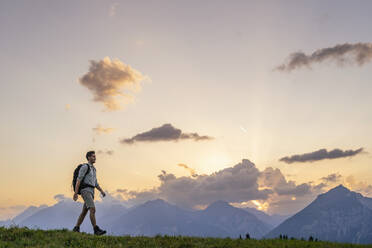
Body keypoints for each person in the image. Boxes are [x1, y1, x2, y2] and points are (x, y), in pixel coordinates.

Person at [72, 151, 107, 235]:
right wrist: (76, 193)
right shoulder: (85, 167)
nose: (95, 158)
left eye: (95, 156)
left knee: (84, 212)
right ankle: (96, 229)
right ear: (88, 158)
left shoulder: (94, 169)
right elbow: (79, 179)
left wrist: (101, 191)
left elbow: (95, 183)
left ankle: (76, 228)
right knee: (92, 209)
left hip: (91, 191)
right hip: (85, 190)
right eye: (93, 156)